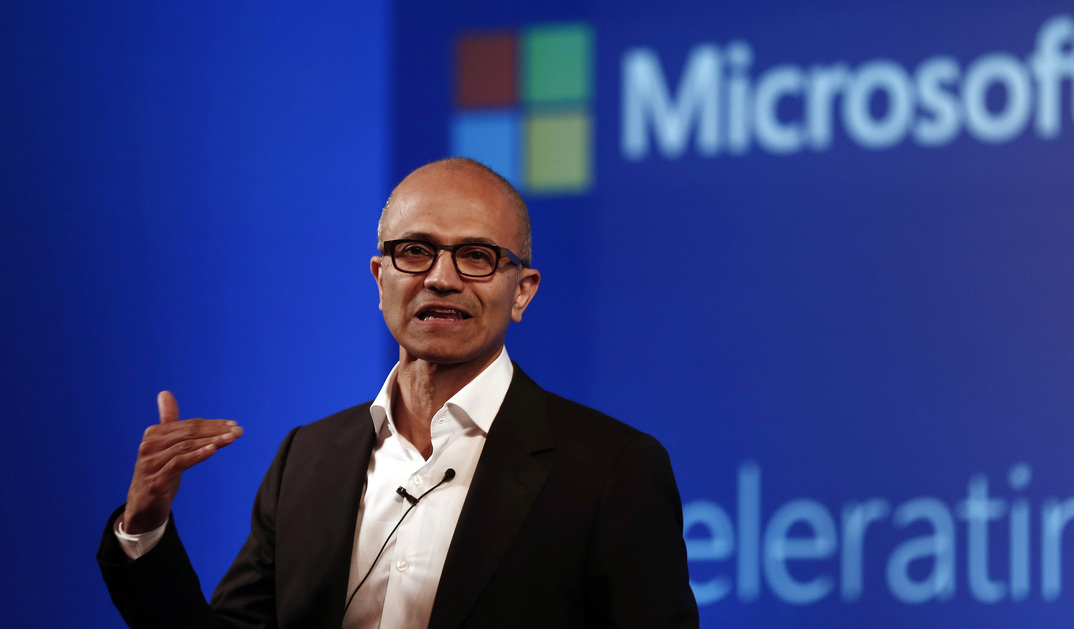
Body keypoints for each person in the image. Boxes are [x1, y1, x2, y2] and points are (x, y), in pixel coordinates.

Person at [98, 157, 699, 628]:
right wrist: (144, 527)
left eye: (477, 256)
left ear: (522, 291)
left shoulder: (612, 470)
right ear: (380, 277)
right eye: (415, 251)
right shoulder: (307, 459)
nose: (441, 277)